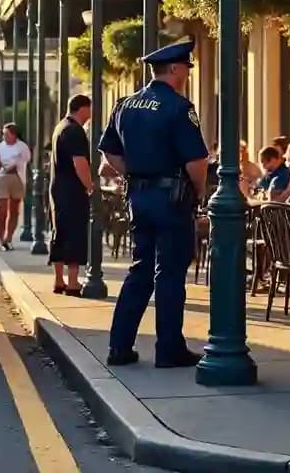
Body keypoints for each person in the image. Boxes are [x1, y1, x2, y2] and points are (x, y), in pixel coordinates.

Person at [101, 40, 210, 369]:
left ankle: (119, 347)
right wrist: (199, 192)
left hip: (138, 197)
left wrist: (133, 175)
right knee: (171, 273)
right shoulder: (178, 107)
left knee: (141, 270)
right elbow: (197, 161)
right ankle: (169, 349)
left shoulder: (124, 105)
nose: (188, 74)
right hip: (172, 198)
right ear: (175, 69)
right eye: (187, 69)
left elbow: (110, 153)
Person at [49, 96, 92, 295]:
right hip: (73, 190)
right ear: (82, 109)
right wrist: (89, 185)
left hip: (57, 188)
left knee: (59, 231)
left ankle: (59, 280)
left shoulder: (60, 127)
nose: (91, 113)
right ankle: (73, 283)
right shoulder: (75, 131)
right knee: (75, 233)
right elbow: (79, 162)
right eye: (89, 109)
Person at [0, 123, 32, 249]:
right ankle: (1, 238)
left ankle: (8, 237)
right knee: (2, 210)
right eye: (3, 134)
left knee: (14, 210)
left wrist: (14, 164)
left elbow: (25, 160)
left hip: (17, 178)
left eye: (7, 134)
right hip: (2, 178)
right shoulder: (0, 147)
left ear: (14, 135)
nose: (4, 136)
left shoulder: (22, 147)